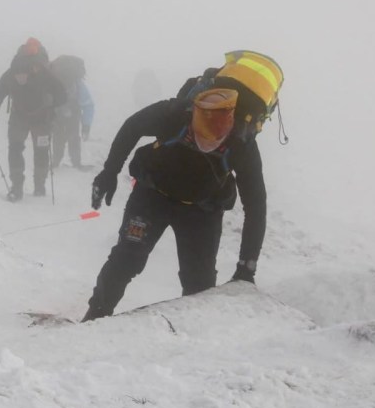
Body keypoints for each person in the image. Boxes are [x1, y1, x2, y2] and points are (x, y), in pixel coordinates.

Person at [82, 87, 268, 321]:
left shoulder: (242, 142)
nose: (206, 145)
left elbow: (256, 205)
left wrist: (247, 266)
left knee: (199, 282)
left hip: (202, 210)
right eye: (201, 137)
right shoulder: (174, 114)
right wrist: (109, 172)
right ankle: (95, 315)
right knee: (127, 258)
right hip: (152, 195)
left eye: (215, 141)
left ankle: (192, 329)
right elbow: (132, 126)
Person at [0, 39, 66, 201]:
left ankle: (17, 187)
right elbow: (62, 96)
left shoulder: (12, 71)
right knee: (41, 151)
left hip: (19, 118)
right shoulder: (45, 72)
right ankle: (39, 186)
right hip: (42, 120)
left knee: (15, 149)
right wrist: (51, 105)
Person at [49, 55, 94, 170]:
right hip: (73, 112)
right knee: (73, 136)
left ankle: (55, 161)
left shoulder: (54, 81)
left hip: (57, 113)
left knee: (58, 136)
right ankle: (76, 162)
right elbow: (88, 105)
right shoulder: (77, 83)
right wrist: (86, 125)